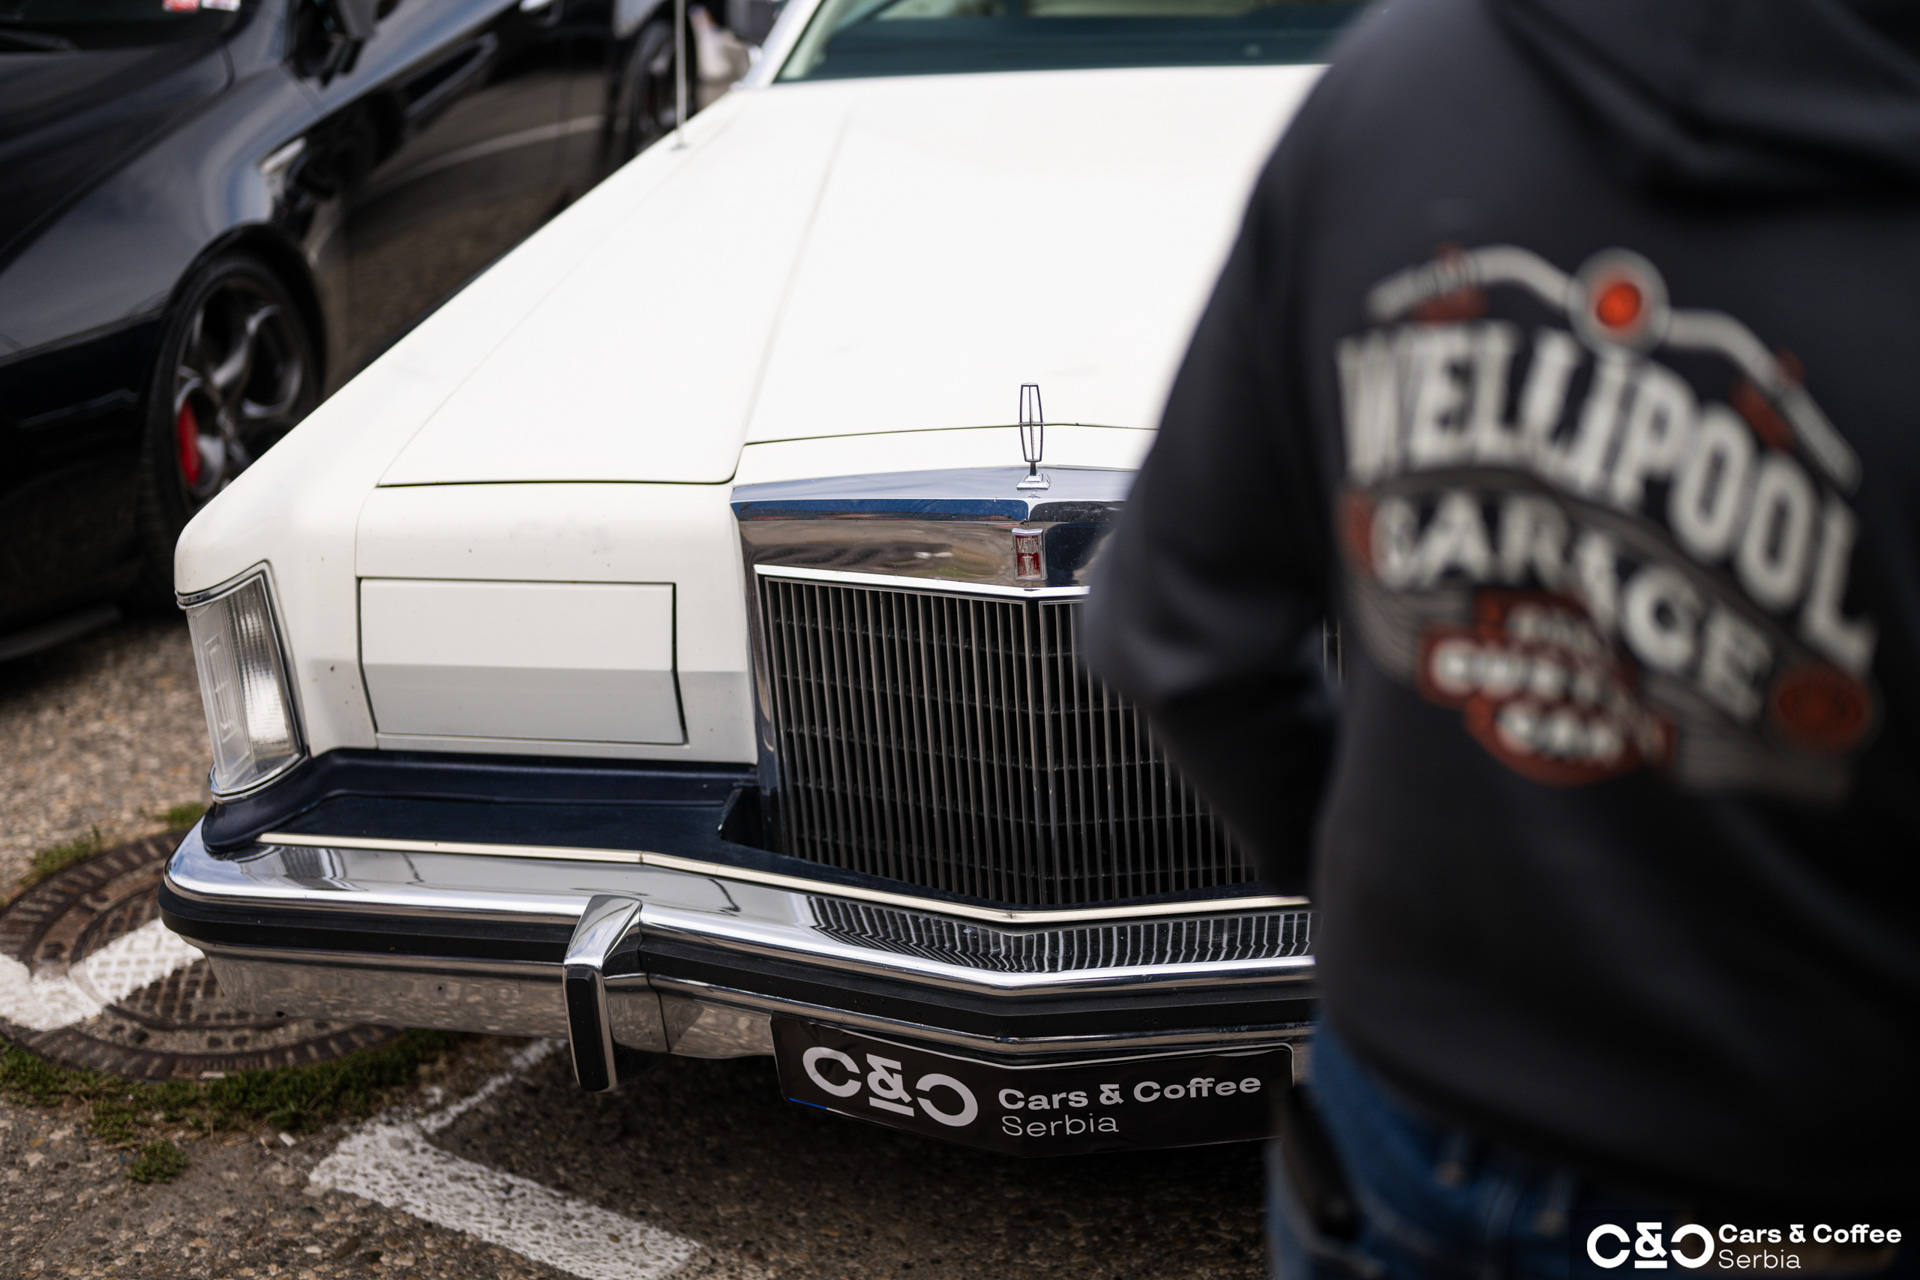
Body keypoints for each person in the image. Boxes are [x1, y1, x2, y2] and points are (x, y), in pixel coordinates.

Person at [1084, 0, 1920, 1274]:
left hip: (1404, 1128)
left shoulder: (1397, 83)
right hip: (1790, 1192)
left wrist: (1397, 924)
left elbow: (1177, 629)